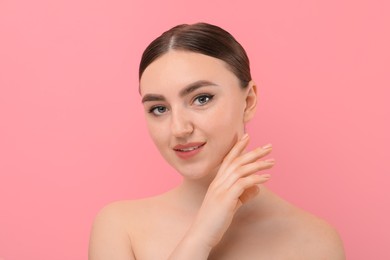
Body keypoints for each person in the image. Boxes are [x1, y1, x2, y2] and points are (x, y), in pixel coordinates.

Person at [88, 22, 345, 259]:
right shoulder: (120, 227)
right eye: (159, 108)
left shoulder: (315, 241)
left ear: (248, 101)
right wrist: (202, 233)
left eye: (201, 99)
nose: (179, 128)